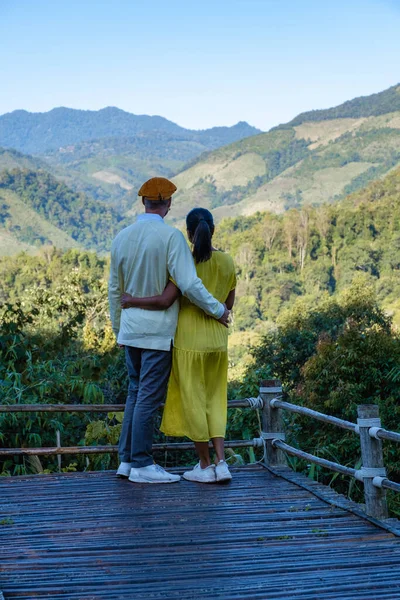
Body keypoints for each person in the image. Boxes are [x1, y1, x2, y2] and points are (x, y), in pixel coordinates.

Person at [108, 178, 230, 485]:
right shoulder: (170, 237)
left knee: (135, 394)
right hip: (157, 334)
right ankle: (141, 464)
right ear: (169, 204)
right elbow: (188, 284)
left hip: (131, 331)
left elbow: (114, 290)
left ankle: (126, 460)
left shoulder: (121, 238)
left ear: (143, 203)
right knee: (148, 398)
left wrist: (117, 330)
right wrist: (218, 311)